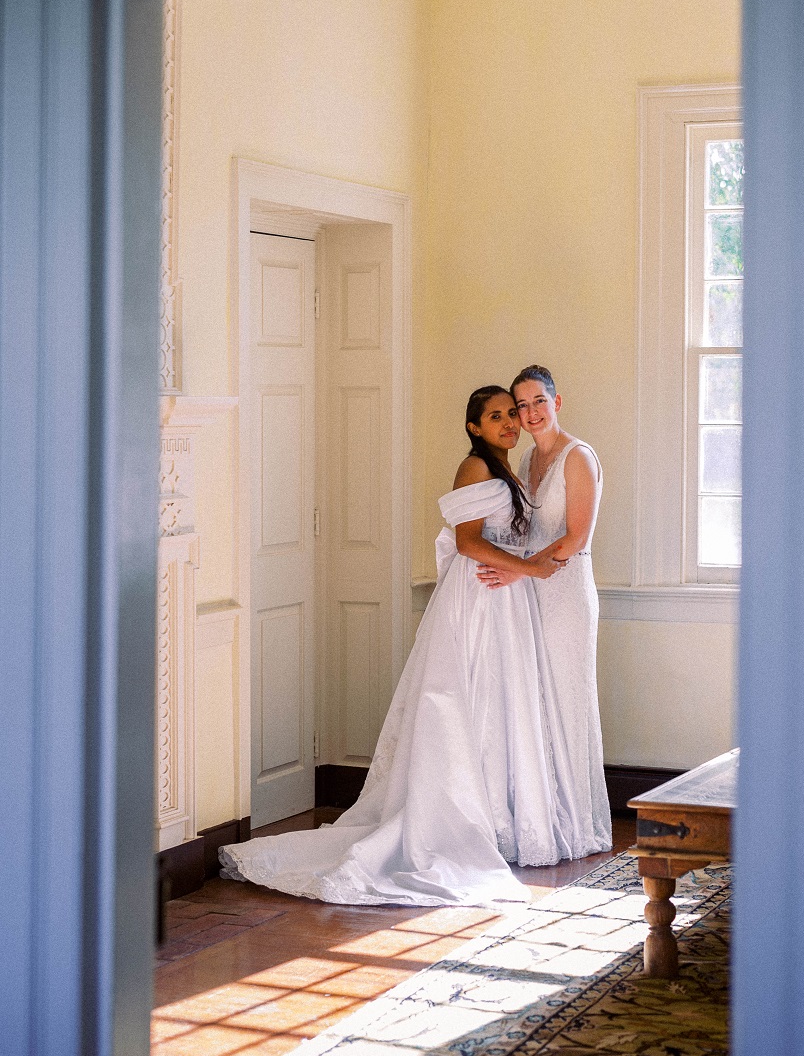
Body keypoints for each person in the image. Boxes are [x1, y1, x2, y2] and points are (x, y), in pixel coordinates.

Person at [220, 386, 573, 906]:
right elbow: (469, 541)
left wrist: (524, 571)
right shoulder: (474, 468)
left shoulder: (507, 470)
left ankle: (501, 819)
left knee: (495, 704)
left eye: (510, 415)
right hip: (480, 598)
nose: (508, 423)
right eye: (494, 416)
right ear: (474, 427)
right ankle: (455, 819)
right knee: (464, 701)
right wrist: (530, 570)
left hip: (502, 600)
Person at [477, 365, 612, 858]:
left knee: (565, 700)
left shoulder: (578, 457)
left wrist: (522, 570)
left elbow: (575, 535)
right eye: (520, 406)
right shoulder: (527, 457)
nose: (528, 413)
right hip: (527, 591)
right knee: (531, 702)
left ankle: (574, 823)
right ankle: (537, 817)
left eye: (538, 402)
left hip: (564, 591)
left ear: (557, 403)